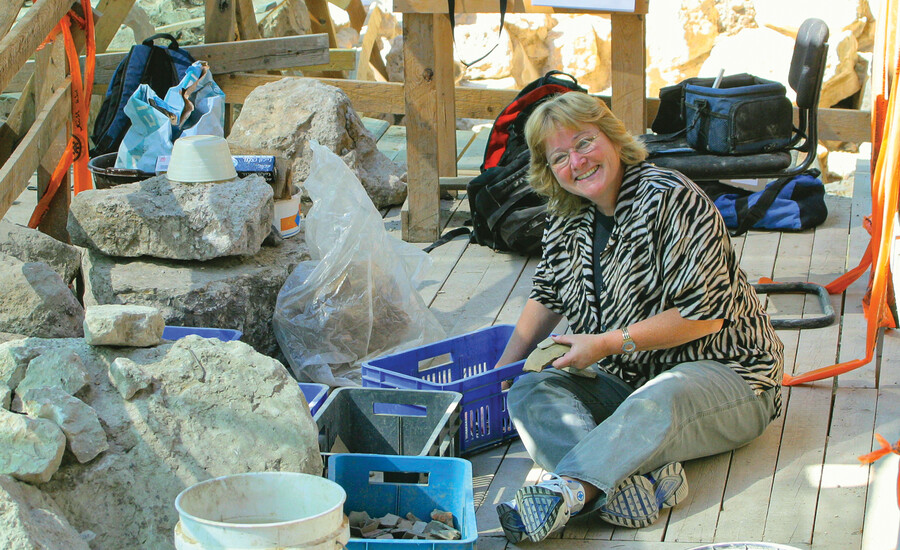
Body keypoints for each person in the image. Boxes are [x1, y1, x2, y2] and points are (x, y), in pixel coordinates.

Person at [493, 91, 784, 543]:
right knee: (532, 389)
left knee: (661, 397)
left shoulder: (672, 199)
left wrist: (608, 343)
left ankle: (566, 493)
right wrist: (506, 370)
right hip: (629, 382)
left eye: (585, 143)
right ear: (548, 169)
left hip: (729, 378)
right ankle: (628, 488)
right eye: (560, 156)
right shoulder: (567, 215)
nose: (577, 162)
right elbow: (548, 293)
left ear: (612, 138)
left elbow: (703, 318)